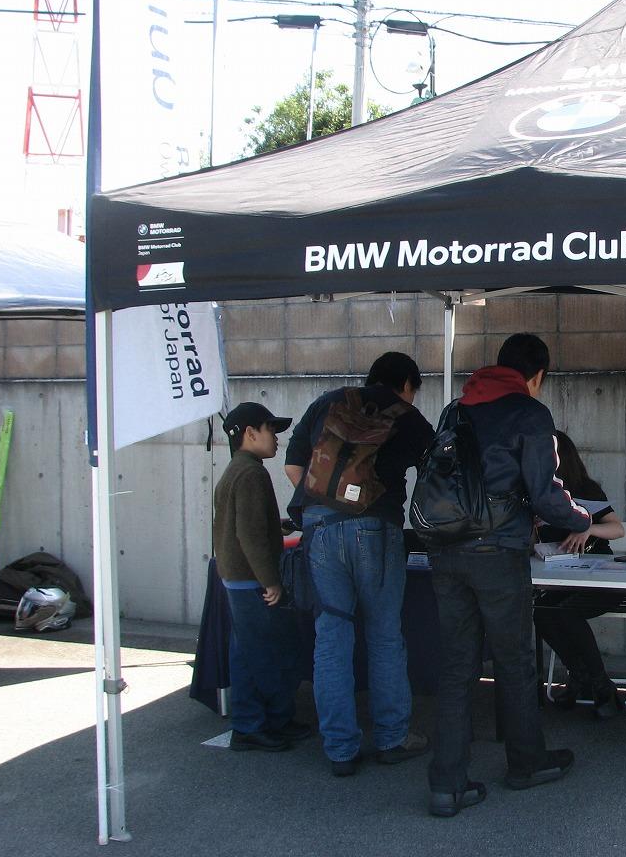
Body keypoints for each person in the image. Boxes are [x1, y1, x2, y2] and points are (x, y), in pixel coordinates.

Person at [426, 333, 592, 818]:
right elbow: (544, 493)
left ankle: (447, 784)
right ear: (537, 376)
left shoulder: (455, 409)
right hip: (497, 551)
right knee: (514, 659)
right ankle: (526, 763)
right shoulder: (529, 413)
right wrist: (581, 518)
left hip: (446, 549)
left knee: (457, 666)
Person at [284, 352, 434, 776]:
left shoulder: (328, 402)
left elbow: (294, 467)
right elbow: (437, 477)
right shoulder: (409, 417)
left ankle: (340, 749)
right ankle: (392, 738)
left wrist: (329, 503)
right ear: (407, 383)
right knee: (384, 635)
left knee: (331, 637)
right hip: (375, 529)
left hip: (319, 527)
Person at [214, 402, 309, 752]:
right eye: (271, 429)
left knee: (246, 653)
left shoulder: (237, 469)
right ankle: (255, 725)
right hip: (252, 579)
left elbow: (244, 525)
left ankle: (257, 722)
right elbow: (250, 534)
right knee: (264, 655)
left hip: (237, 576)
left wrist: (275, 525)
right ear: (250, 433)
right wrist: (270, 581)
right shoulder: (252, 474)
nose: (276, 438)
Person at [532, 430, 626, 719]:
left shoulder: (586, 490)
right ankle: (583, 677)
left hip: (602, 578)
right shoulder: (539, 493)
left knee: (565, 613)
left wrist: (587, 528)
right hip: (561, 577)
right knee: (542, 612)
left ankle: (599, 685)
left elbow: (617, 529)